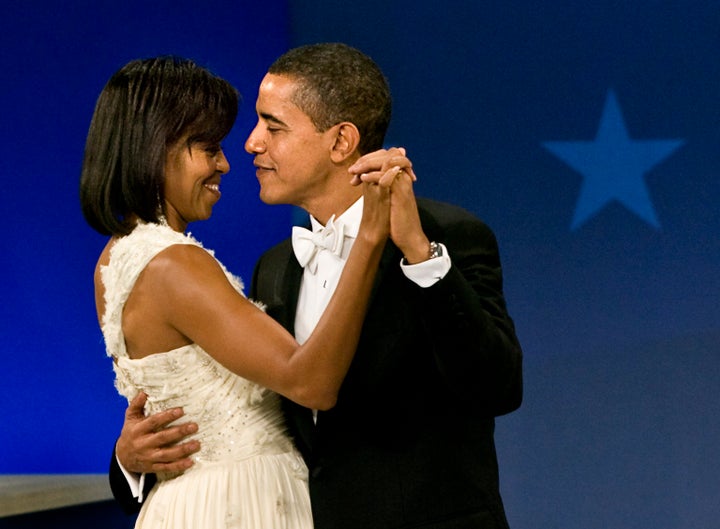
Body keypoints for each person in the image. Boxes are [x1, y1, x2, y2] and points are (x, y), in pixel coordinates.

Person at [109, 44, 523, 528]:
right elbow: (248, 421)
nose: (250, 143)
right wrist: (128, 463)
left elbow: (498, 388)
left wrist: (418, 254)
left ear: (341, 142)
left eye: (273, 126)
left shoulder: (445, 237)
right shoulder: (275, 267)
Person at [80, 55, 397, 528]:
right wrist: (371, 237)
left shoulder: (114, 259)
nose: (226, 163)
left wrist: (129, 457)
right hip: (238, 504)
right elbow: (310, 382)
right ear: (156, 149)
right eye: (208, 147)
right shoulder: (172, 264)